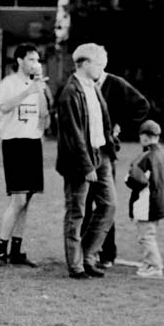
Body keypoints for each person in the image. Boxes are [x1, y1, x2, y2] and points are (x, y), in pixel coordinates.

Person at [81, 50, 150, 268]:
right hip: (86, 151)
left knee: (105, 202)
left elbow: (142, 105)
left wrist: (121, 126)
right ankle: (86, 250)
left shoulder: (115, 84)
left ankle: (107, 252)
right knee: (86, 202)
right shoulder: (83, 85)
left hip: (105, 153)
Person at [56, 43, 116, 280]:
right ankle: (76, 265)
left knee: (109, 205)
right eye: (100, 64)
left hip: (101, 156)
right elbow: (73, 134)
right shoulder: (70, 92)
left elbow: (102, 121)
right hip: (80, 160)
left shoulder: (93, 88)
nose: (103, 69)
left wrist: (111, 144)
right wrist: (86, 165)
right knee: (76, 211)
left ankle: (88, 255)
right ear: (85, 63)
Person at [0, 44, 50, 268]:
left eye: (37, 59)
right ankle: (0, 250)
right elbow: (4, 107)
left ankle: (16, 250)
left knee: (27, 201)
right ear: (19, 60)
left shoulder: (37, 85)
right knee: (18, 200)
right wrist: (28, 91)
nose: (35, 63)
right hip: (14, 142)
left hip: (33, 142)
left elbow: (44, 114)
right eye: (31, 59)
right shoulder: (8, 84)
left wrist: (41, 90)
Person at [125, 120, 164, 278]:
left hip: (147, 201)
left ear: (145, 137)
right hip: (162, 200)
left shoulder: (145, 157)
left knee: (146, 235)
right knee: (149, 233)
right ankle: (148, 263)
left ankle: (155, 266)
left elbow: (135, 180)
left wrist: (127, 178)